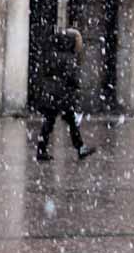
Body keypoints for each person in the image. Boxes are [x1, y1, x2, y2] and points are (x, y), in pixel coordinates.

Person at [35, 28, 97, 162]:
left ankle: (42, 149)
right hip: (62, 96)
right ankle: (79, 148)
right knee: (70, 122)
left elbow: (45, 71)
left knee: (50, 122)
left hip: (52, 94)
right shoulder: (68, 57)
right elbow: (72, 78)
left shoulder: (52, 54)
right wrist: (75, 87)